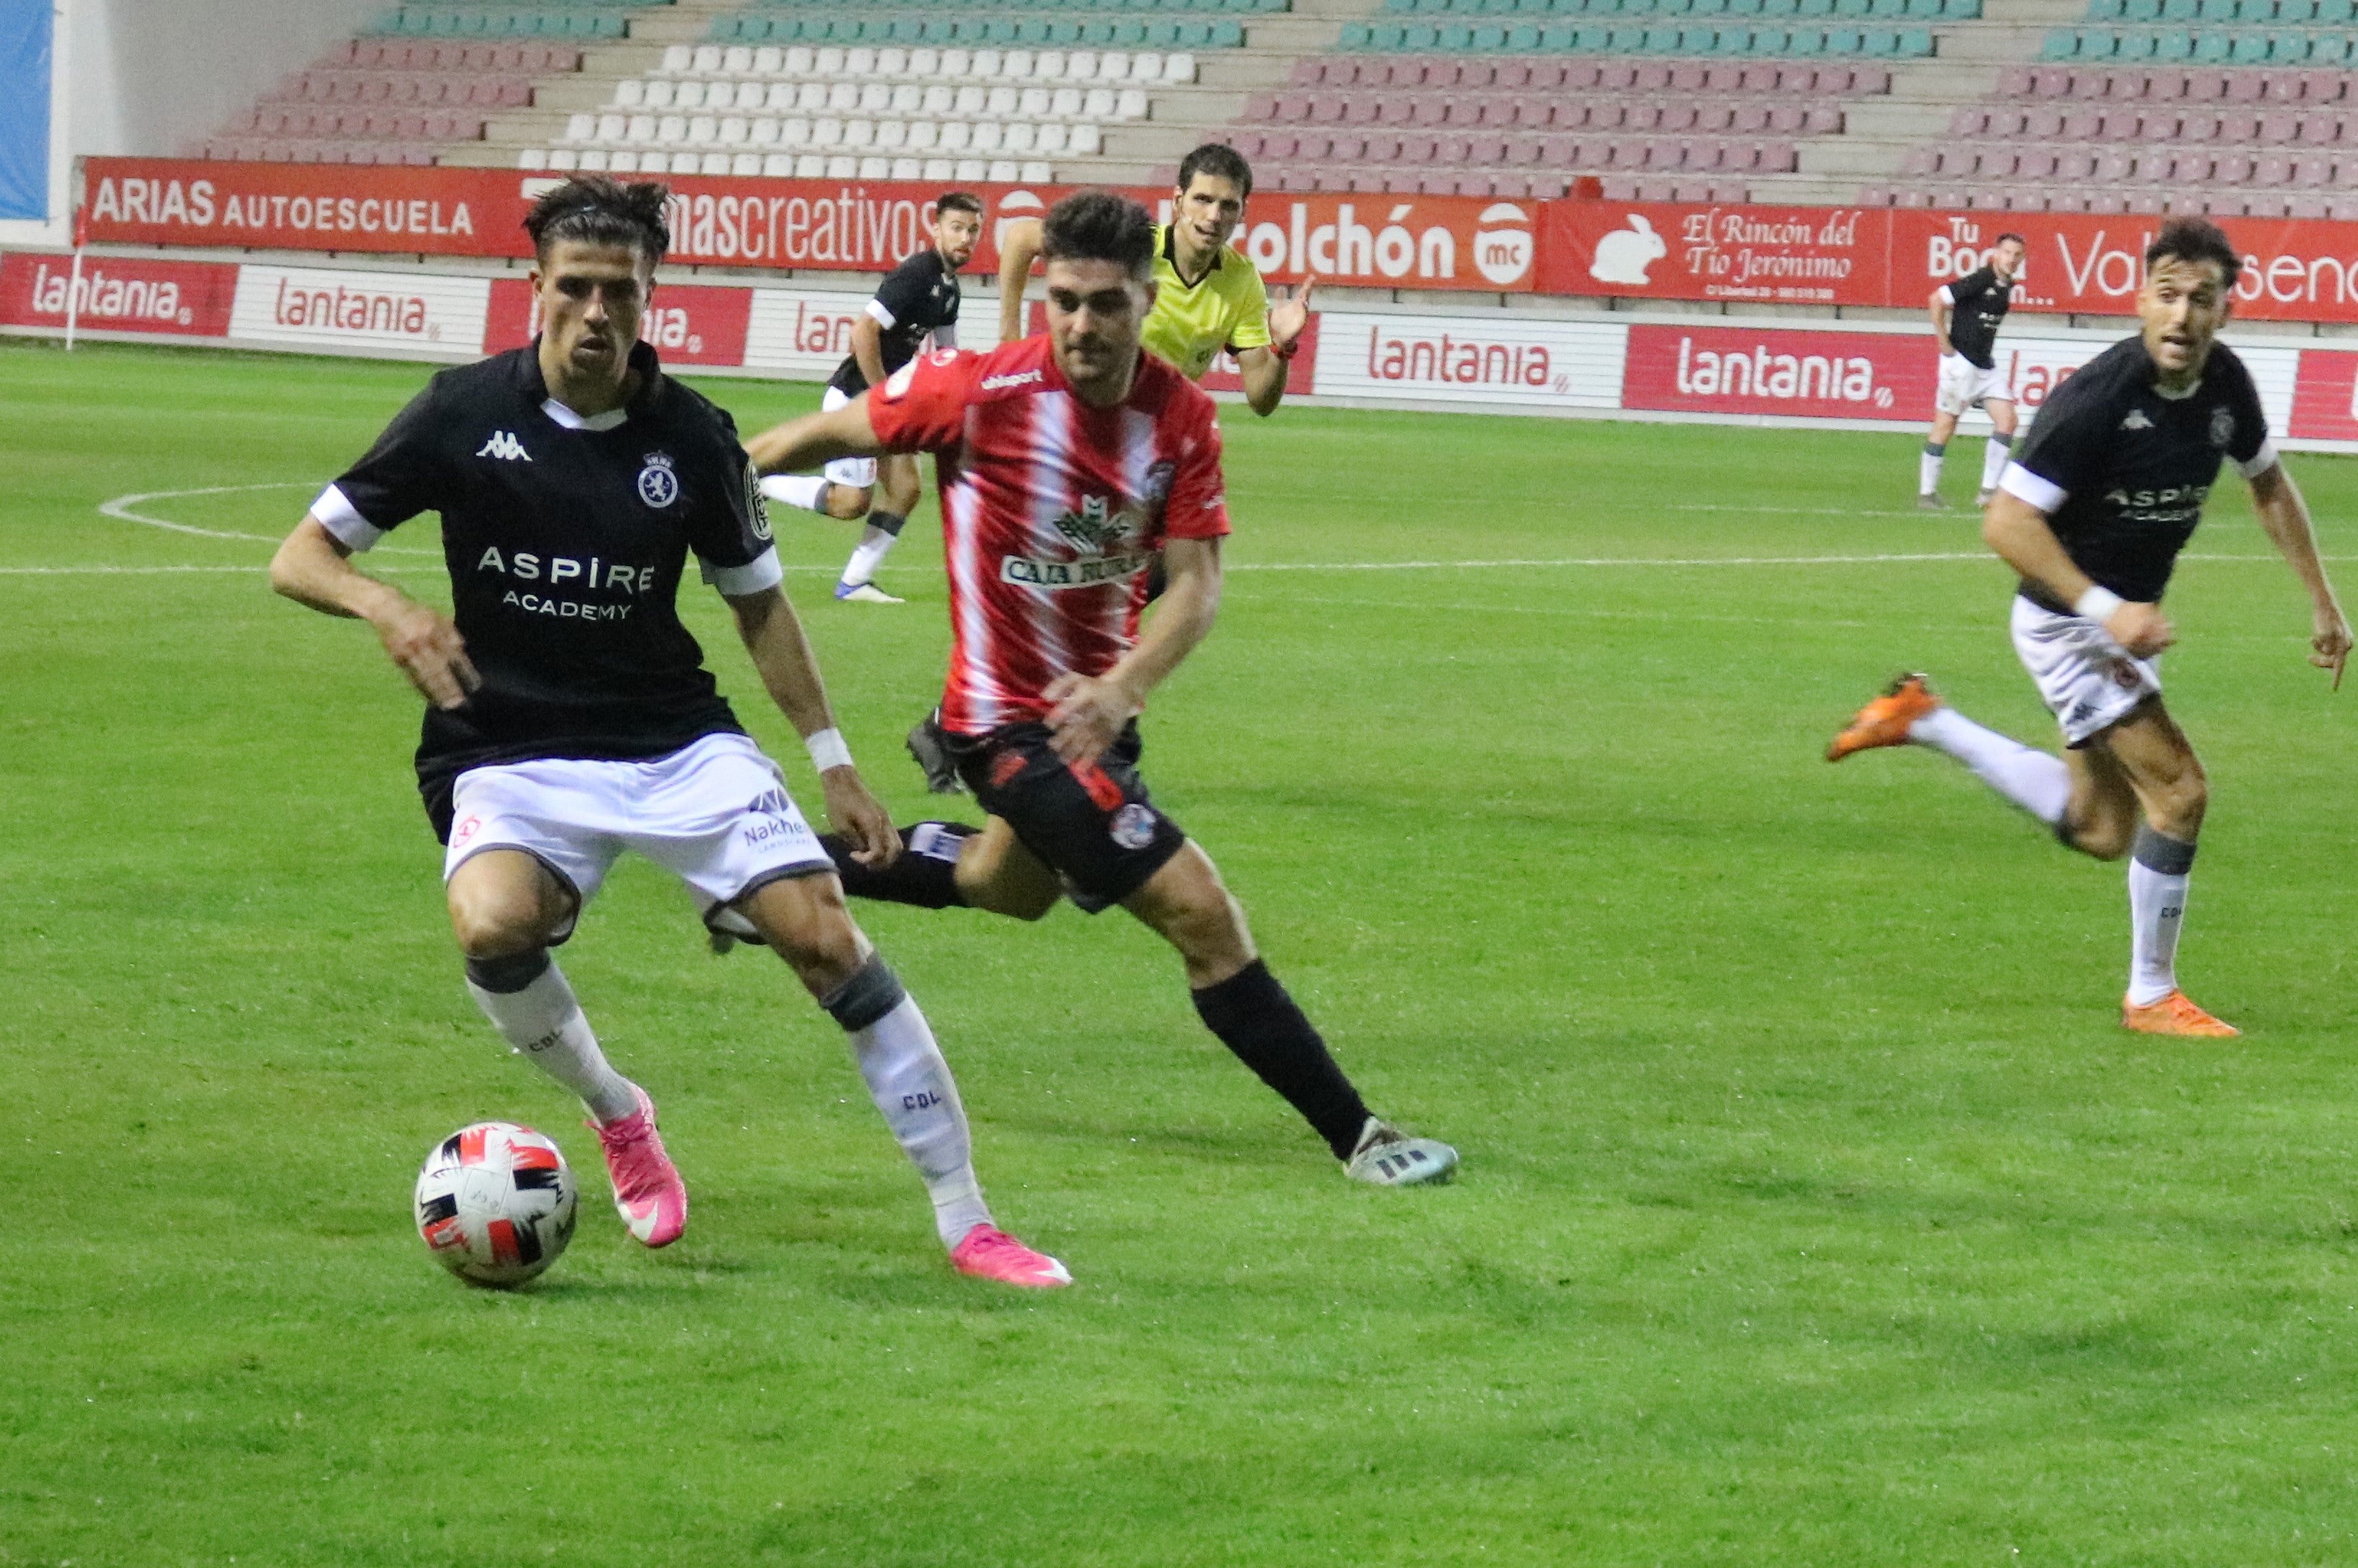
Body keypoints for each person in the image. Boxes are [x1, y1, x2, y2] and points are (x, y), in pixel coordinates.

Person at [266, 176, 1069, 1287]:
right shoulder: (459, 412)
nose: (596, 313)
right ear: (535, 288)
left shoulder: (692, 436)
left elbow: (759, 605)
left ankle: (967, 1220)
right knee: (494, 923)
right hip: (510, 744)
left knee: (825, 938)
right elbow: (299, 556)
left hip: (671, 739)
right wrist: (388, 606)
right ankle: (617, 1110)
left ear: (652, 298)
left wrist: (832, 762)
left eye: (620, 292)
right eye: (574, 288)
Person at [743, 189, 1457, 1187]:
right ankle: (1359, 1136)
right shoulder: (976, 390)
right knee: (1201, 914)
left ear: (1144, 298)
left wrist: (1122, 687)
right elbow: (810, 442)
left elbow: (1196, 588)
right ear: (1046, 298)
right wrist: (712, 485)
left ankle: (763, 878)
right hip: (1001, 728)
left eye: (1106, 304)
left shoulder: (1177, 420)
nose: (1082, 324)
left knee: (1003, 890)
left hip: (1093, 725)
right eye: (1065, 300)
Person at [1832, 218, 2350, 1036]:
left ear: (2225, 310)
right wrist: (2108, 611)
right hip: (2068, 624)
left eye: (2201, 300)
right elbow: (2005, 524)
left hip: (2112, 629)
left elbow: (2267, 483)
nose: (2182, 317)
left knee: (2103, 828)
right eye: (2168, 296)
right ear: (2141, 298)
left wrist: (2323, 600)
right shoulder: (2099, 398)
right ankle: (2150, 994)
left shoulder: (2227, 386)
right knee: (2180, 793)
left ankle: (1926, 719)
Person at [888, 143, 1314, 795]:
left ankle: (993, 724)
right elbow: (1025, 236)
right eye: (1202, 199)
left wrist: (1281, 343)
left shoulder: (1240, 282)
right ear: (1177, 202)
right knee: (1076, 593)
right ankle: (994, 726)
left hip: (1143, 461)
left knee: (1137, 583)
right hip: (1070, 439)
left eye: (1228, 205)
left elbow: (1260, 396)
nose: (1213, 214)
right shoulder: (1131, 246)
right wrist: (1010, 334)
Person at [761, 192, 985, 604]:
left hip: (888, 403)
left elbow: (947, 356)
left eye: (973, 230)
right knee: (848, 503)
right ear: (935, 228)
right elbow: (863, 330)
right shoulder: (918, 273)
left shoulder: (950, 289)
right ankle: (761, 482)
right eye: (956, 228)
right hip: (857, 397)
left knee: (905, 489)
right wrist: (883, 392)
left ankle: (854, 583)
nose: (965, 237)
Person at [1919, 232, 2025, 512]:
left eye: (2017, 254)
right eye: (2007, 253)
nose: (2011, 259)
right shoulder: (1981, 280)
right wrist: (1945, 345)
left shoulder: (2006, 285)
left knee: (2008, 420)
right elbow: (1936, 299)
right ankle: (1927, 494)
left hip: (1984, 367)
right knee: (1945, 426)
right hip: (1961, 364)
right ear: (1995, 253)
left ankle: (1988, 492)